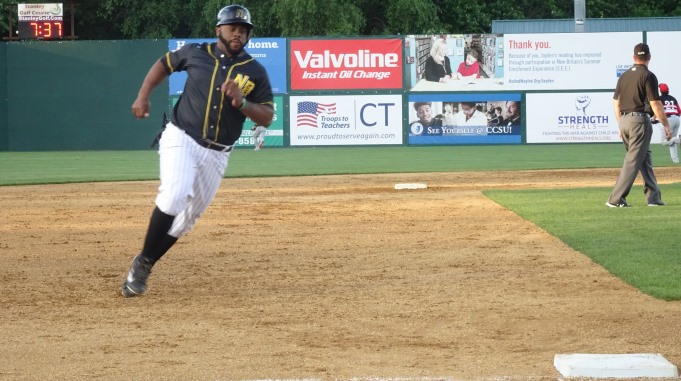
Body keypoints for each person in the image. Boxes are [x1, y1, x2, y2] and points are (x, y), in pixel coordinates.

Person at [122, 4, 274, 297]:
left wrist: (242, 103)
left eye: (244, 30)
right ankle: (142, 268)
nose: (238, 34)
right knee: (175, 194)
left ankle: (145, 261)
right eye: (232, 28)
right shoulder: (195, 53)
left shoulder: (255, 71)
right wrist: (143, 96)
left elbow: (266, 115)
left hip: (218, 153)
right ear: (219, 30)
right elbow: (163, 65)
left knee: (188, 218)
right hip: (182, 137)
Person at [606, 43, 671, 208]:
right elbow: (655, 104)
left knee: (644, 159)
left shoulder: (624, 76)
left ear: (634, 57)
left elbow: (616, 101)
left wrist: (620, 123)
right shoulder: (648, 76)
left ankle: (653, 198)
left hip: (625, 121)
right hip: (639, 121)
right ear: (649, 57)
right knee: (633, 160)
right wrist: (666, 125)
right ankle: (615, 199)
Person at [656, 83, 681, 163]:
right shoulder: (673, 98)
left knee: (664, 142)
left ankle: (678, 140)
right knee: (671, 141)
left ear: (660, 90)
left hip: (667, 120)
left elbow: (658, 110)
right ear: (668, 90)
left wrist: (655, 119)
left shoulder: (659, 99)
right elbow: (679, 111)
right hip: (676, 119)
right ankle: (676, 161)